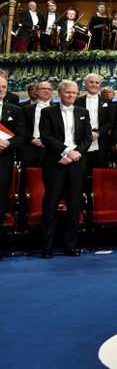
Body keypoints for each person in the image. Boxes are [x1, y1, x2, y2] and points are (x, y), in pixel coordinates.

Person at [39, 80, 92, 258]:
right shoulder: (47, 112)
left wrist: (76, 153)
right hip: (56, 163)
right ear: (60, 93)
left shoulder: (83, 112)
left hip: (77, 164)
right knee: (51, 205)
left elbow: (87, 138)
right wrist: (67, 151)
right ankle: (47, 247)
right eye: (68, 92)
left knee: (74, 206)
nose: (71, 95)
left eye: (75, 93)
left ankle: (71, 246)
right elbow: (45, 137)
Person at [0, 76, 25, 259]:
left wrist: (7, 144)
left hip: (4, 160)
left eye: (4, 86)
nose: (1, 89)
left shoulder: (15, 110)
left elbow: (22, 135)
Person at [74, 73, 113, 171]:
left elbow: (110, 122)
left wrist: (98, 133)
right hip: (81, 140)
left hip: (101, 140)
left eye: (97, 83)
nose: (94, 85)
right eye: (91, 82)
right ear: (85, 84)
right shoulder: (77, 101)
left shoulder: (107, 102)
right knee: (81, 170)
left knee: (100, 171)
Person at [22, 81, 53, 168]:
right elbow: (22, 128)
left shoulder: (58, 110)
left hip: (52, 150)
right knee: (29, 178)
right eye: (43, 89)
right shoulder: (26, 109)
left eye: (49, 89)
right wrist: (31, 139)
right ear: (36, 91)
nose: (46, 91)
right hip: (30, 148)